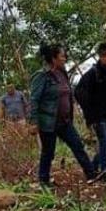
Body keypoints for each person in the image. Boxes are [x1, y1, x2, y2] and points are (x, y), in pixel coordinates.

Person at [28, 44, 98, 187]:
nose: (65, 58)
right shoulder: (42, 76)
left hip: (65, 121)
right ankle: (44, 180)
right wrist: (33, 122)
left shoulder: (62, 73)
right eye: (62, 56)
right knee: (48, 152)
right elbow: (34, 99)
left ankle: (91, 174)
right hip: (48, 122)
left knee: (77, 145)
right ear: (53, 58)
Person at [75, 42, 106, 179]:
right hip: (97, 117)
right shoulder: (92, 74)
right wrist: (90, 114)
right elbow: (78, 92)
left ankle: (93, 165)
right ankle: (104, 171)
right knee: (104, 142)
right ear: (101, 56)